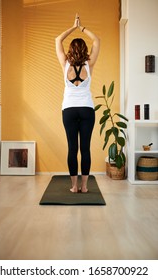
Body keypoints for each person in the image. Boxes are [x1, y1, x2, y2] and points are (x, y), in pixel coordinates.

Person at [55, 13, 100, 193]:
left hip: (69, 110)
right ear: (84, 50)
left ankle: (74, 186)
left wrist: (73, 27)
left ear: (71, 50)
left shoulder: (65, 64)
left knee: (72, 148)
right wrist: (82, 27)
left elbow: (58, 39)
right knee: (86, 148)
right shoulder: (89, 64)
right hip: (87, 110)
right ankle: (84, 186)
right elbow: (96, 40)